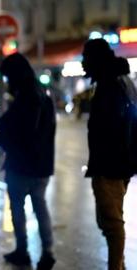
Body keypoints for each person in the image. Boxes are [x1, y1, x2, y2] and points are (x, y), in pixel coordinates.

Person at [0, 53, 56, 269]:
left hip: (21, 165)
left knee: (19, 208)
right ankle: (47, 250)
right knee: (40, 207)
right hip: (41, 165)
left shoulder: (24, 100)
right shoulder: (44, 97)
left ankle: (23, 250)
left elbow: (14, 131)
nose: (6, 82)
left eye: (8, 77)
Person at [81, 38, 134, 270]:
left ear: (96, 60)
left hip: (110, 165)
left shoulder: (110, 86)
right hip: (118, 164)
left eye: (86, 58)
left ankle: (116, 267)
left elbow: (110, 128)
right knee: (109, 220)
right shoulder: (117, 81)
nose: (83, 64)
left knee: (111, 223)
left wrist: (103, 164)